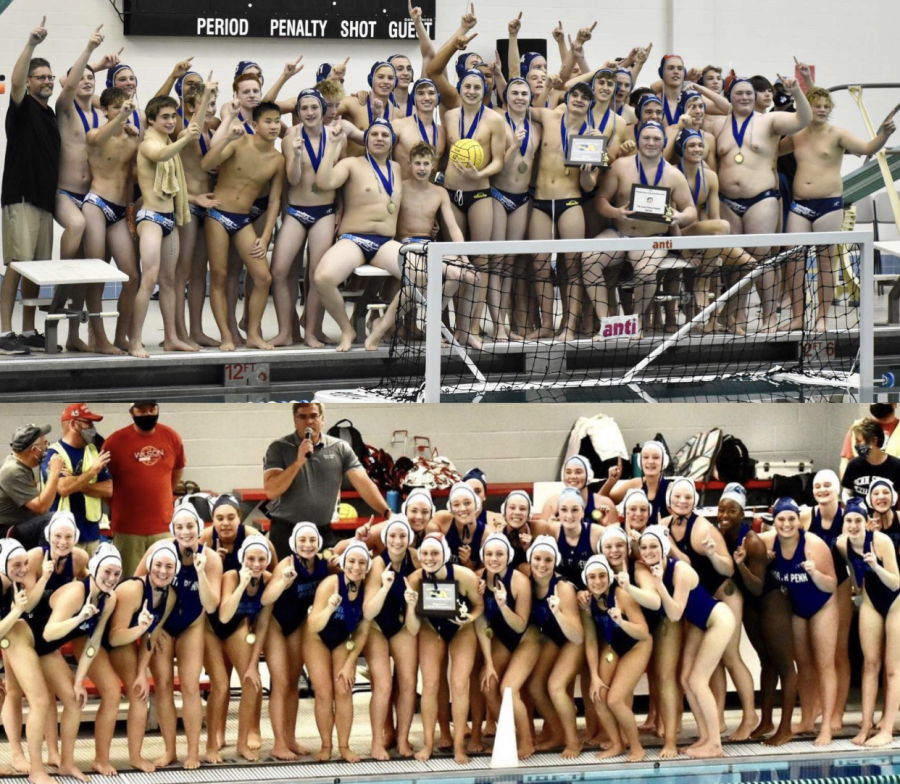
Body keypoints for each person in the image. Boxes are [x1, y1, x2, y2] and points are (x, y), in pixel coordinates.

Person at [781, 87, 895, 331]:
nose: (822, 110)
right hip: (799, 204)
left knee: (825, 261)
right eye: (816, 105)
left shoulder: (837, 134)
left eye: (826, 106)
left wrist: (884, 135)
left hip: (828, 205)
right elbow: (772, 151)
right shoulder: (797, 135)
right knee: (793, 261)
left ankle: (822, 316)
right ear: (806, 107)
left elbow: (867, 149)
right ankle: (798, 317)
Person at [709, 76, 811, 332]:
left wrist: (797, 90)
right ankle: (735, 317)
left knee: (762, 260)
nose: (744, 97)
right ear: (729, 96)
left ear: (754, 97)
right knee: (735, 262)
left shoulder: (769, 121)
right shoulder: (718, 124)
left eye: (748, 93)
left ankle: (769, 317)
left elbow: (804, 119)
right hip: (727, 201)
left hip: (761, 200)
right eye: (738, 93)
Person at [133, 503, 223, 769]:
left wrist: (199, 571)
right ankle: (170, 750)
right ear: (173, 529)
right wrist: (150, 625)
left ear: (199, 528)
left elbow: (211, 605)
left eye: (190, 526)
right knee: (162, 687)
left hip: (192, 626)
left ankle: (193, 752)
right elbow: (137, 585)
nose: (185, 531)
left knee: (190, 687)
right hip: (161, 628)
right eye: (179, 527)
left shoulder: (212, 559)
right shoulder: (158, 552)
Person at [366, 142, 479, 351]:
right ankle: (380, 327)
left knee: (469, 275)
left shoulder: (439, 192)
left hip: (430, 247)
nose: (421, 168)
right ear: (409, 165)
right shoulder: (399, 187)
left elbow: (453, 227)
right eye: (417, 163)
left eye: (426, 163)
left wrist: (464, 258)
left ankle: (459, 331)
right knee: (418, 278)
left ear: (433, 165)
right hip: (404, 247)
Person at [640, 524, 735, 758]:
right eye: (644, 547)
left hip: (717, 619)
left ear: (663, 548)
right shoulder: (652, 571)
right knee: (685, 679)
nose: (649, 551)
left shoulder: (679, 570)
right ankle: (705, 737)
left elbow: (674, 614)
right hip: (699, 624)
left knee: (698, 680)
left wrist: (660, 586)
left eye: (654, 546)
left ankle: (715, 744)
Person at [314, 118, 405, 351]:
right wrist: (332, 145)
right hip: (354, 239)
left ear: (392, 142)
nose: (379, 139)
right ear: (366, 139)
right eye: (373, 134)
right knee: (323, 278)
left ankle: (381, 326)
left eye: (385, 135)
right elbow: (324, 182)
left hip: (385, 242)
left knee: (423, 277)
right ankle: (347, 329)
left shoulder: (397, 169)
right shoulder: (352, 164)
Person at [717, 483, 796, 746]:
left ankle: (785, 727)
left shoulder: (752, 542)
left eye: (731, 511)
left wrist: (739, 566)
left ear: (743, 514)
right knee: (766, 662)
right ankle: (766, 720)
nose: (725, 515)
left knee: (783, 664)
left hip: (771, 601)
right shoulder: (721, 535)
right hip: (751, 605)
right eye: (721, 510)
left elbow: (757, 586)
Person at [202, 101, 285, 352]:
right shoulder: (239, 142)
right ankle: (226, 335)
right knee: (219, 275)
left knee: (263, 276)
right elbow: (206, 164)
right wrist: (226, 138)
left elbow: (274, 200)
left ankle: (253, 334)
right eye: (268, 121)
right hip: (217, 214)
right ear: (254, 125)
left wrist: (267, 233)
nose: (273, 126)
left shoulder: (278, 160)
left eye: (277, 121)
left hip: (243, 220)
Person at [1, 17, 61, 355]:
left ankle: (26, 331)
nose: (49, 81)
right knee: (17, 263)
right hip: (21, 197)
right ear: (28, 81)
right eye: (42, 77)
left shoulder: (49, 114)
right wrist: (32, 44)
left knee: (35, 270)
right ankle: (4, 332)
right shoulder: (21, 109)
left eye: (51, 77)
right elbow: (14, 80)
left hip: (43, 201)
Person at [263, 401, 390, 555]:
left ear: (322, 419)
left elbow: (364, 483)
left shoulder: (340, 448)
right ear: (295, 421)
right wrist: (298, 462)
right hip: (286, 530)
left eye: (314, 416)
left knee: (327, 575)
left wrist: (387, 512)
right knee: (286, 576)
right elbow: (271, 491)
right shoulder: (279, 447)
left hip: (322, 530)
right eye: (302, 417)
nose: (309, 421)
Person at [760, 497, 838, 745]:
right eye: (781, 519)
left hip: (822, 604)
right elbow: (742, 546)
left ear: (798, 520)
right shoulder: (767, 542)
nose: (786, 524)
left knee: (824, 664)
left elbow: (832, 584)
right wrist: (754, 556)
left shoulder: (813, 545)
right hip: (796, 608)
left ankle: (826, 727)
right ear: (775, 521)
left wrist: (814, 572)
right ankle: (806, 719)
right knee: (802, 664)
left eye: (791, 518)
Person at [43, 543, 123, 775]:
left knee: (111, 691)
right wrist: (80, 618)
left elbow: (93, 642)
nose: (111, 578)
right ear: (95, 569)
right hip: (39, 642)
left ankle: (100, 759)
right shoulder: (76, 594)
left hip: (73, 637)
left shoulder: (109, 598)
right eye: (106, 571)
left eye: (116, 573)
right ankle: (60, 761)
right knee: (68, 698)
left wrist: (80, 679)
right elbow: (48, 633)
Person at [271, 88, 342, 349]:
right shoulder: (291, 136)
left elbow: (341, 177)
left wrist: (341, 212)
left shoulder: (336, 136)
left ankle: (312, 330)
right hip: (296, 210)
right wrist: (298, 156)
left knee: (316, 275)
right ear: (298, 112)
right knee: (279, 270)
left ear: (322, 109)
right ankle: (284, 332)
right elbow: (293, 179)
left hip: (324, 211)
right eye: (304, 108)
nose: (309, 113)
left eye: (314, 107)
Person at [52, 28, 108, 354]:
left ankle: (74, 334)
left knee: (88, 267)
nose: (86, 80)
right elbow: (68, 83)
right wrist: (90, 52)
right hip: (64, 193)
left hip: (91, 196)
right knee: (76, 226)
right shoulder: (66, 110)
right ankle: (60, 281)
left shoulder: (101, 115)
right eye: (82, 77)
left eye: (92, 78)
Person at [405, 532, 483, 763]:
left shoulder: (464, 576)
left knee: (460, 684)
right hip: (431, 628)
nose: (430, 558)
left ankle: (459, 745)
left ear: (445, 555)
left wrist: (468, 619)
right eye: (425, 553)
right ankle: (429, 743)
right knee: (429, 684)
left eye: (435, 553)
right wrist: (410, 607)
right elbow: (412, 628)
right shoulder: (414, 580)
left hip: (462, 630)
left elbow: (478, 607)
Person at [131, 96, 199, 357]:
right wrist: (185, 139)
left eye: (173, 116)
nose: (171, 121)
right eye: (165, 117)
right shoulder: (149, 143)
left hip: (169, 219)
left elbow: (193, 129)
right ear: (151, 119)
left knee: (170, 282)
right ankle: (135, 341)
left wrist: (202, 101)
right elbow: (161, 156)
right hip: (150, 219)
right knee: (149, 279)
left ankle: (170, 337)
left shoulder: (170, 140)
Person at [105, 540, 178, 771]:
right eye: (158, 565)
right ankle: (115, 757)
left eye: (169, 567)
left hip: (129, 639)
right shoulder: (132, 590)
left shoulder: (171, 596)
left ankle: (134, 756)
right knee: (120, 695)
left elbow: (152, 637)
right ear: (149, 565)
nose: (162, 571)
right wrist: (140, 629)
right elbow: (114, 637)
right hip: (104, 641)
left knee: (139, 690)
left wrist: (141, 674)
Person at [836, 497, 900, 747]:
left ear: (867, 522)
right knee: (870, 664)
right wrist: (857, 586)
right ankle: (865, 725)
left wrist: (875, 565)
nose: (853, 525)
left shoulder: (881, 541)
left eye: (858, 520)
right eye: (849, 520)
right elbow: (852, 567)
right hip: (871, 601)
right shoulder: (843, 544)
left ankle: (886, 729)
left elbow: (896, 582)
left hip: (895, 601)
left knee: (892, 668)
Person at [82, 88, 141, 354]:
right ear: (104, 110)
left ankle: (120, 336)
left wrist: (130, 209)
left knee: (131, 277)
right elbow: (97, 139)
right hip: (96, 204)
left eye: (124, 107)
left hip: (118, 211)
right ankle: (99, 337)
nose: (122, 111)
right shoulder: (95, 134)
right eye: (115, 108)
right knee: (96, 275)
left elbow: (132, 177)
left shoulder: (131, 140)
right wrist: (120, 119)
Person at [262, 523, 329, 759]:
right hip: (275, 625)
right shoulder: (287, 564)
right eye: (303, 540)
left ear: (318, 542)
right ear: (294, 543)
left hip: (298, 625)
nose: (308, 545)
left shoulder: (324, 565)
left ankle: (290, 739)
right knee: (280, 683)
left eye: (312, 540)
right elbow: (266, 598)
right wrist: (283, 582)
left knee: (292, 684)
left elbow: (346, 556)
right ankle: (278, 743)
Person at [205, 534, 273, 762]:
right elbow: (224, 615)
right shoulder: (231, 576)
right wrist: (243, 584)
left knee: (252, 682)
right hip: (212, 630)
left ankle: (242, 743)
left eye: (261, 559)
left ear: (268, 560)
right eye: (250, 558)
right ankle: (212, 745)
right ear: (243, 558)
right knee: (221, 686)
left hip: (237, 629)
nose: (255, 564)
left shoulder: (268, 580)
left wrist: (254, 665)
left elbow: (262, 624)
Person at [581, 553, 651, 762]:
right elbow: (591, 641)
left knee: (616, 700)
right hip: (614, 647)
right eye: (592, 577)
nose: (597, 581)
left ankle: (637, 747)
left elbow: (643, 632)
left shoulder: (621, 596)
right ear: (586, 580)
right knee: (598, 695)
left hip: (637, 646)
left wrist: (621, 622)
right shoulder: (587, 603)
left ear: (609, 577)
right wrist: (594, 676)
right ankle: (617, 744)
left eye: (602, 576)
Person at [306, 541, 372, 763]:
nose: (356, 567)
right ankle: (326, 745)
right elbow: (313, 625)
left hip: (344, 640)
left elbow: (363, 630)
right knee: (324, 693)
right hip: (317, 639)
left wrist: (351, 662)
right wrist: (329, 609)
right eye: (351, 561)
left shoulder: (366, 588)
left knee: (343, 690)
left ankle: (344, 746)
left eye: (362, 563)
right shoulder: (330, 584)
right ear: (344, 564)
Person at [103, 401, 186, 577]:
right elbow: (102, 483)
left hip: (163, 527)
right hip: (128, 530)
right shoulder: (114, 442)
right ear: (131, 412)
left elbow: (177, 470)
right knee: (130, 582)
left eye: (152, 409)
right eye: (141, 410)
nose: (147, 413)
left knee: (164, 580)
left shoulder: (171, 436)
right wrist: (117, 505)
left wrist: (162, 496)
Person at [361, 515, 420, 759]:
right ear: (385, 539)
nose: (397, 541)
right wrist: (384, 587)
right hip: (376, 626)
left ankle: (403, 738)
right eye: (392, 536)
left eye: (402, 536)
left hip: (404, 625)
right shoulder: (377, 564)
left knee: (407, 683)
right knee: (383, 685)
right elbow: (368, 611)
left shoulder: (415, 559)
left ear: (409, 539)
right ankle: (377, 741)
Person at [475, 532, 537, 758]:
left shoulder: (520, 581)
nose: (493, 558)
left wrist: (502, 605)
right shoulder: (478, 578)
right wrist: (489, 663)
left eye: (499, 554)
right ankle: (510, 736)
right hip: (501, 639)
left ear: (508, 556)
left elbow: (520, 625)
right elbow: (479, 621)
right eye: (489, 554)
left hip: (526, 640)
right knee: (488, 684)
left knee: (508, 690)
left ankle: (528, 742)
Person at [0, 538, 55, 784]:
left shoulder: (12, 583)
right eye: (16, 564)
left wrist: (42, 579)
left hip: (10, 636)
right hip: (8, 634)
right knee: (40, 700)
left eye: (25, 563)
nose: (23, 569)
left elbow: (24, 607)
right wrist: (15, 612)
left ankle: (19, 757)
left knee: (13, 691)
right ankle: (36, 770)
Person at [524, 535, 584, 758]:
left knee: (556, 687)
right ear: (530, 560)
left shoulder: (563, 588)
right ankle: (557, 733)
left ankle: (573, 741)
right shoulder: (526, 579)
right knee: (534, 686)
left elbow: (577, 636)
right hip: (551, 638)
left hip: (572, 641)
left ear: (555, 561)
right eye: (537, 559)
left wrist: (558, 612)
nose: (542, 564)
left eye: (548, 560)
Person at [801, 468, 851, 729]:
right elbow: (783, 537)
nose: (822, 490)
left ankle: (837, 713)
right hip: (809, 588)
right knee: (808, 655)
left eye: (827, 486)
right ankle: (809, 714)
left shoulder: (847, 518)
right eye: (818, 486)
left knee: (838, 653)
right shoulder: (806, 515)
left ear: (837, 490)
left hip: (839, 586)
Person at [173, 79, 220, 349]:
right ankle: (179, 332)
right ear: (190, 106)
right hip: (189, 205)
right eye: (206, 104)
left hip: (207, 208)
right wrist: (194, 198)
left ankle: (197, 330)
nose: (211, 109)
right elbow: (176, 181)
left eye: (213, 104)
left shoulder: (210, 133)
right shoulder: (183, 129)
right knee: (183, 273)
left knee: (200, 273)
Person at [42, 403, 111, 554]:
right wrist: (93, 471)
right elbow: (63, 488)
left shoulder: (93, 451)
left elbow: (109, 489)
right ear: (73, 424)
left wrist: (75, 480)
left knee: (91, 577)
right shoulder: (53, 454)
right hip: (64, 538)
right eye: (88, 423)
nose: (92, 428)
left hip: (92, 533)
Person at [0, 423, 63, 543]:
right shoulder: (13, 470)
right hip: (6, 532)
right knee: (52, 519)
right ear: (34, 450)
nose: (47, 448)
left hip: (18, 525)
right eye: (45, 444)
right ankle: (43, 559)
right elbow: (41, 507)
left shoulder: (21, 465)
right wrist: (54, 474)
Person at [842, 417, 900, 501]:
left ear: (873, 441)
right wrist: (852, 506)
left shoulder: (896, 466)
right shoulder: (854, 465)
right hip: (860, 513)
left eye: (859, 441)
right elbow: (847, 492)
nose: (855, 445)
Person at [840, 404, 900, 478]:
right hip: (861, 485)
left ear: (895, 403)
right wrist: (848, 487)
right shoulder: (857, 428)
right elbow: (845, 462)